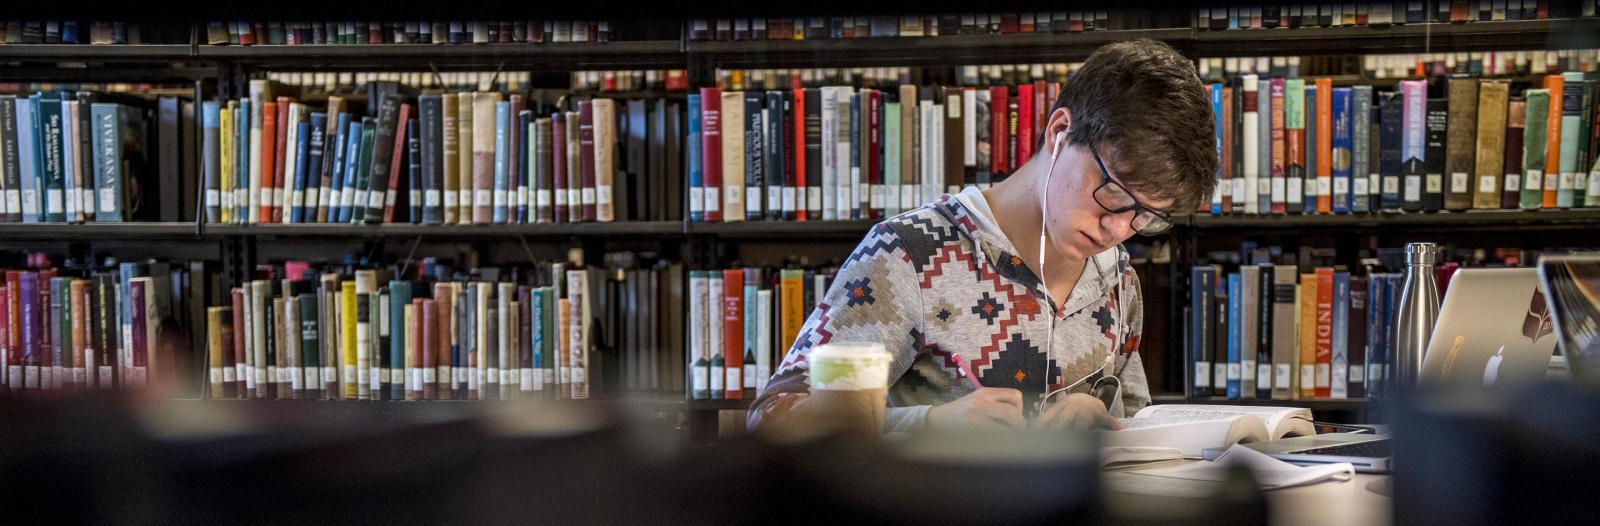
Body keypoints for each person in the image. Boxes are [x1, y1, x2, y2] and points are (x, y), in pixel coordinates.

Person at [748, 39, 1217, 433]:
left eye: (1146, 215)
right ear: (1059, 132)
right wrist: (927, 426)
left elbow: (1143, 438)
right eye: (1113, 193)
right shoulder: (906, 256)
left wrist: (1104, 421)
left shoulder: (1117, 280)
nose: (1118, 229)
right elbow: (774, 420)